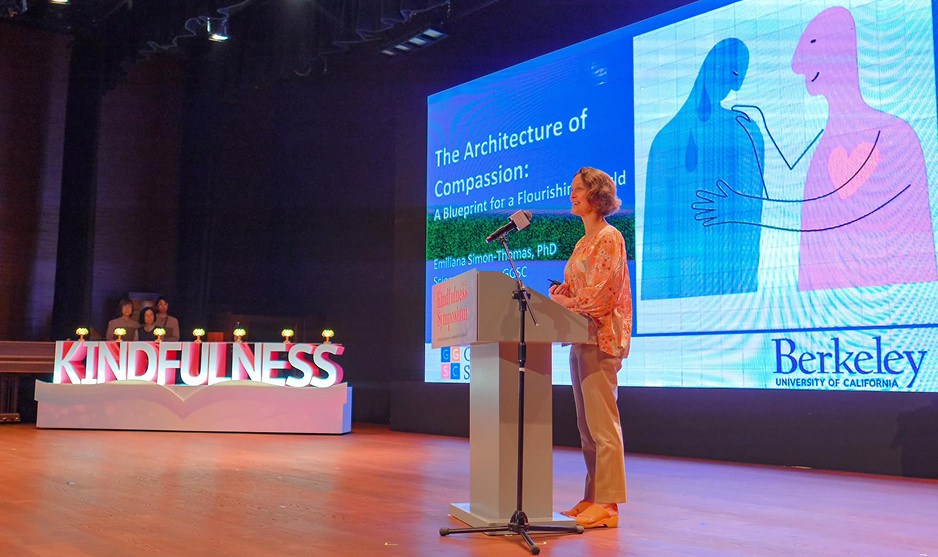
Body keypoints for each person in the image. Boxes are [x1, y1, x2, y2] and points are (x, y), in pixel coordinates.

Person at [549, 167, 632, 529]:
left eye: (579, 189)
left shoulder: (609, 237)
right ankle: (593, 495)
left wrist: (566, 302)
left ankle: (609, 505)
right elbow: (581, 288)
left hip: (601, 338)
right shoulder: (583, 242)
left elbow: (601, 296)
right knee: (587, 426)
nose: (572, 195)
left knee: (603, 425)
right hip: (581, 336)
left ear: (597, 196)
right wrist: (562, 293)